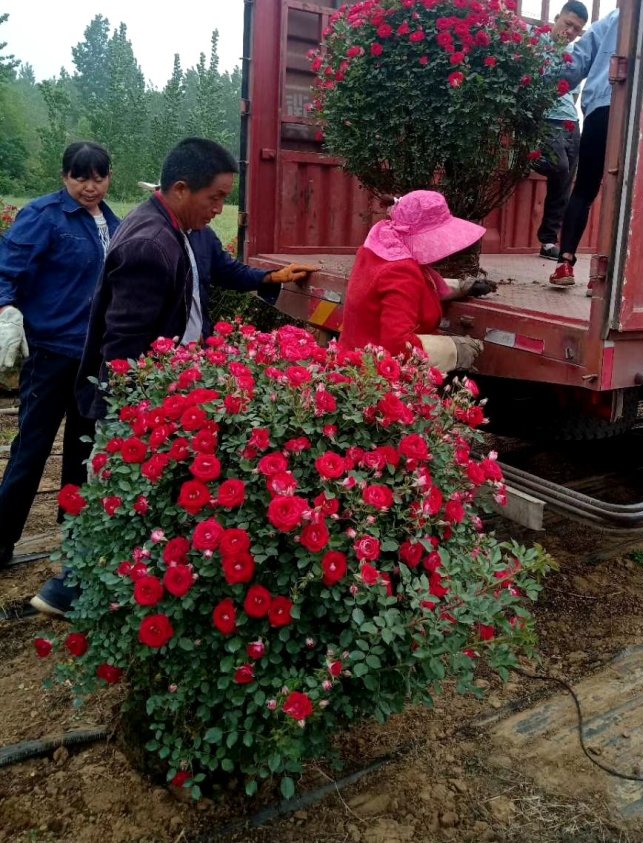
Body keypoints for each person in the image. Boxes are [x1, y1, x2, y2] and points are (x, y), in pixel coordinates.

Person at [31, 137, 316, 616]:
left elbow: (220, 268)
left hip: (173, 387)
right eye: (216, 198)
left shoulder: (190, 229)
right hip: (138, 398)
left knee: (141, 494)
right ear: (181, 189)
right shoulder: (148, 244)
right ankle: (70, 586)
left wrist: (268, 279)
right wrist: (132, 416)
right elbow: (121, 348)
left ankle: (119, 579)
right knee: (111, 487)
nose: (219, 208)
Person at [0, 142, 120, 568]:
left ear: (109, 176)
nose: (91, 187)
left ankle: (72, 542)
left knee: (81, 453)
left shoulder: (111, 221)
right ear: (64, 176)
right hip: (52, 353)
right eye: (80, 177)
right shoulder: (44, 216)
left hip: (93, 358)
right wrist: (6, 308)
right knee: (30, 451)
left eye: (99, 177)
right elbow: (7, 268)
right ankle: (2, 540)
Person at [339, 190, 485, 372]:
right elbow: (397, 344)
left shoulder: (380, 249)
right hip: (372, 377)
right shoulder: (402, 271)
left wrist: (459, 287)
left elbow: (398, 288)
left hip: (352, 362)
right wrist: (453, 350)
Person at [549, 8, 620, 287]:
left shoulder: (615, 18)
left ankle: (565, 263)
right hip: (641, 111)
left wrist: (544, 85)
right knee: (626, 193)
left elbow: (577, 62)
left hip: (602, 107)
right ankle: (606, 278)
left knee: (585, 188)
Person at [536, 0, 589, 259]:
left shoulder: (574, 56)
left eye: (576, 29)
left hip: (570, 122)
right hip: (546, 119)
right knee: (559, 168)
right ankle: (527, 156)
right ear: (557, 18)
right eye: (567, 24)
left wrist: (572, 118)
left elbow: (574, 94)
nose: (570, 31)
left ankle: (548, 241)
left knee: (565, 183)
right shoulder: (536, 45)